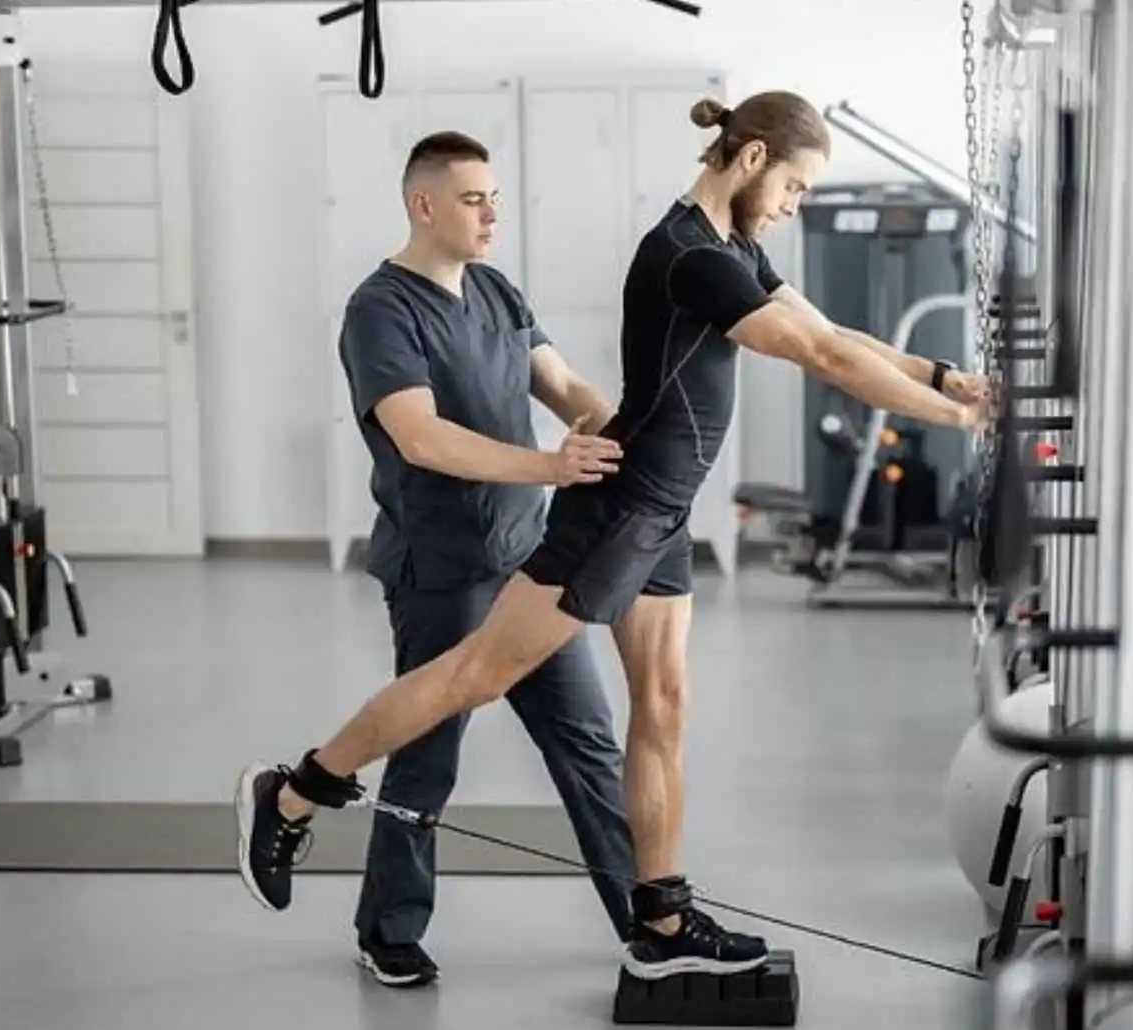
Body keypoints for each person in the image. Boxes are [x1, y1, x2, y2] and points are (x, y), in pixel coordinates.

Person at [237, 92, 996, 980]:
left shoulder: (730, 249)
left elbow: (829, 330)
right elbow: (818, 358)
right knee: (464, 683)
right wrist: (954, 419)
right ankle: (293, 794)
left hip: (657, 511)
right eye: (794, 184)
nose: (796, 205)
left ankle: (663, 919)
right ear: (748, 160)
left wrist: (949, 375)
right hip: (610, 515)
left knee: (660, 709)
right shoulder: (687, 256)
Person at [239, 130, 641, 988]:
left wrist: (620, 432)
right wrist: (549, 464)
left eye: (495, 196)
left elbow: (562, 386)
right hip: (444, 564)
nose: (492, 212)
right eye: (472, 198)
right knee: (428, 755)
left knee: (588, 744)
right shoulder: (380, 309)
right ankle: (387, 927)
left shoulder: (494, 288)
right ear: (423, 205)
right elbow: (419, 438)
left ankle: (649, 918)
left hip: (529, 560)